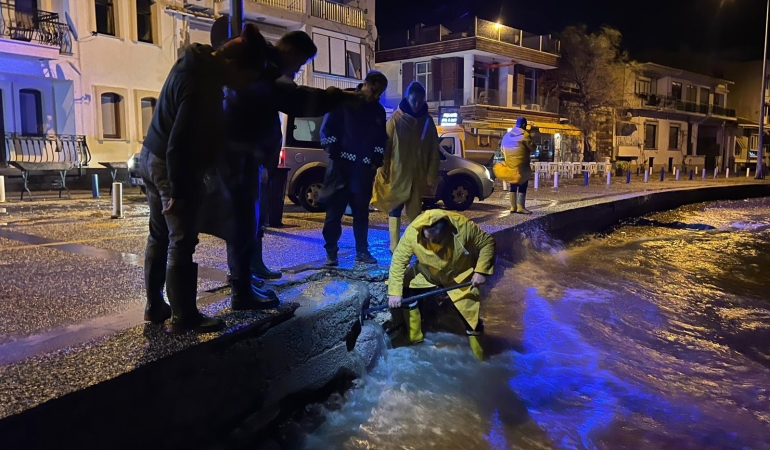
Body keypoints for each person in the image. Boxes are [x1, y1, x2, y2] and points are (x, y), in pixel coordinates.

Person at [204, 29, 359, 309]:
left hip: (245, 158)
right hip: (241, 159)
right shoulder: (264, 71)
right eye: (301, 63)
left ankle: (245, 281)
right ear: (291, 52)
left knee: (248, 222)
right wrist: (339, 97)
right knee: (243, 223)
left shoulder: (263, 68)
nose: (298, 70)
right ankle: (242, 290)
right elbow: (296, 99)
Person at [140, 25, 266, 334]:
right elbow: (179, 142)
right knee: (182, 241)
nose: (243, 85)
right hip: (170, 165)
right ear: (233, 64)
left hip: (150, 155)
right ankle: (183, 316)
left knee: (159, 235)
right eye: (246, 77)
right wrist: (179, 191)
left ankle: (155, 306)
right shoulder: (204, 83)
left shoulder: (194, 63)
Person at [387, 210, 495, 360]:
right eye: (428, 240)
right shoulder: (413, 232)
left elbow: (487, 243)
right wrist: (394, 293)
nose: (433, 245)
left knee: (470, 315)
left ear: (448, 230)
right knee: (405, 286)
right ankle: (414, 335)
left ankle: (479, 355)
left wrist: (481, 271)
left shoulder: (463, 226)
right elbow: (399, 260)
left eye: (437, 241)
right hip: (427, 274)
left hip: (459, 275)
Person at [319, 71, 388, 266]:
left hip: (363, 170)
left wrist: (376, 158)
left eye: (380, 93)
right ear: (364, 84)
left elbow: (381, 138)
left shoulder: (378, 111)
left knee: (361, 214)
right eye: (373, 90)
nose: (376, 96)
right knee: (334, 212)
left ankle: (362, 251)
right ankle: (331, 252)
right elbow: (327, 129)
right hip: (340, 168)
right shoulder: (343, 101)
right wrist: (335, 152)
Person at [372, 81, 440, 253]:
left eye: (420, 100)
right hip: (397, 172)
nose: (417, 104)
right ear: (407, 98)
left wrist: (431, 173)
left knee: (415, 212)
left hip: (418, 174)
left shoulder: (428, 122)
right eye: (413, 100)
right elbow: (386, 147)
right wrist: (382, 168)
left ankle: (412, 244)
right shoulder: (395, 120)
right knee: (394, 207)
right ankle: (394, 245)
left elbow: (434, 150)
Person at [494, 117, 534, 214]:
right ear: (524, 125)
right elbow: (532, 148)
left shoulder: (507, 135)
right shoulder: (525, 135)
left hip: (510, 165)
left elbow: (502, 149)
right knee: (523, 184)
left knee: (513, 184)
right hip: (522, 167)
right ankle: (521, 207)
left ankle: (513, 207)